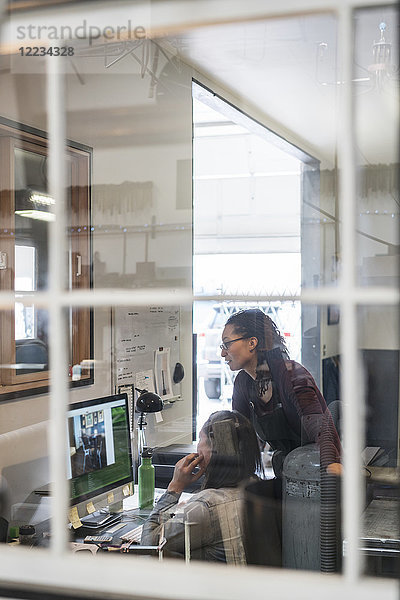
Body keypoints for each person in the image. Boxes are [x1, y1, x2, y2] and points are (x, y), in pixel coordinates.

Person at [221, 308, 341, 476]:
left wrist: (331, 464)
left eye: (227, 344)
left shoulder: (291, 375)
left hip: (319, 469)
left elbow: (319, 428)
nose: (222, 353)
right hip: (286, 468)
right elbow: (240, 435)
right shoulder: (243, 382)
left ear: (252, 343)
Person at [141, 410, 262, 564]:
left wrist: (175, 487)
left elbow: (149, 545)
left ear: (213, 450)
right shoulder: (256, 485)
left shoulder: (207, 507)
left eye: (200, 438)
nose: (197, 447)